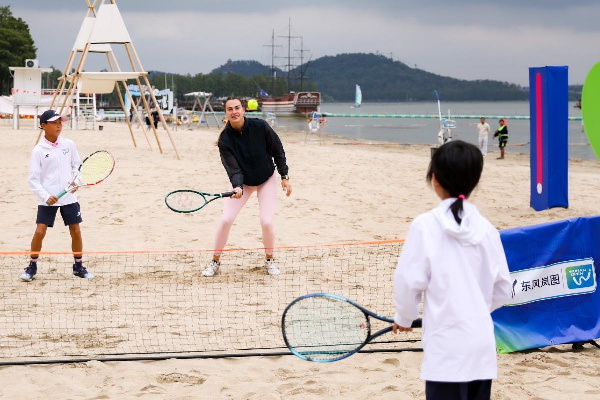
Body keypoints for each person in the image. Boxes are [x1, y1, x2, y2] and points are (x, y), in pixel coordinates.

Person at [392, 140, 512, 400]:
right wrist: (475, 308)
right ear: (474, 182)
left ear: (434, 180)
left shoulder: (424, 226)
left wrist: (405, 317)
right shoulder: (488, 230)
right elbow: (504, 289)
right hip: (481, 347)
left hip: (446, 349)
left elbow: (408, 282)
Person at [203, 97, 292, 277]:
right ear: (226, 113)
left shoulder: (260, 126)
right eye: (230, 109)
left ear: (243, 109)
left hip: (266, 177)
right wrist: (237, 186)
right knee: (226, 220)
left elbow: (278, 149)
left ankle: (269, 260)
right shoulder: (225, 140)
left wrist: (284, 175)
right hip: (243, 182)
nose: (234, 112)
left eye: (237, 108)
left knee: (266, 221)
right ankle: (215, 261)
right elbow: (232, 168)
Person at [21, 110, 94, 282]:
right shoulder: (38, 150)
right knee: (40, 231)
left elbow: (78, 166)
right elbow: (33, 179)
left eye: (60, 122)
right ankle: (32, 265)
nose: (59, 125)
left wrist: (77, 180)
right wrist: (46, 196)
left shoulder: (69, 144)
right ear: (44, 126)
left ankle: (78, 266)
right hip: (47, 198)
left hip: (69, 197)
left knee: (76, 231)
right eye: (54, 122)